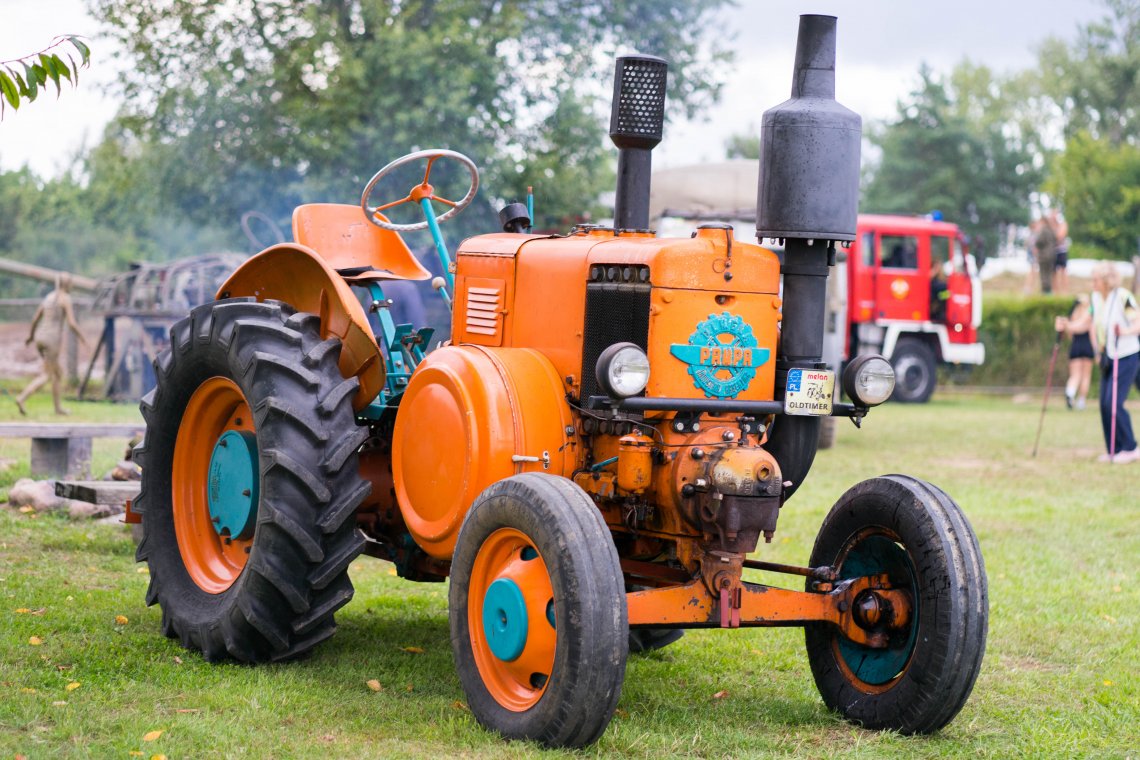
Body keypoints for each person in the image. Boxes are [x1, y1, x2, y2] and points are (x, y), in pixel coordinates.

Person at [1059, 262, 1140, 462]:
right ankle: (1114, 449)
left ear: (1106, 280)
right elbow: (1085, 322)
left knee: (1114, 402)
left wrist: (1125, 331)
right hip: (1108, 356)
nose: (1092, 283)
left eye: (1095, 279)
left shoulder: (1123, 297)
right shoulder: (1096, 298)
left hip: (1127, 355)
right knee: (1104, 403)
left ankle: (1130, 448)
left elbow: (1137, 323)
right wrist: (1067, 325)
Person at [14, 273, 89, 416]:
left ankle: (58, 409)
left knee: (57, 373)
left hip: (40, 338)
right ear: (67, 284)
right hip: (51, 340)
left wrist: (31, 337)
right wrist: (83, 338)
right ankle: (22, 398)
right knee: (47, 375)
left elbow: (35, 319)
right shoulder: (65, 298)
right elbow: (72, 323)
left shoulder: (49, 297)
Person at [1054, 294, 1095, 410]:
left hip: (1076, 346)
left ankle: (1070, 392)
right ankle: (1081, 401)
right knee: (1085, 375)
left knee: (1075, 374)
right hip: (1087, 346)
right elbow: (1092, 333)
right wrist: (1096, 351)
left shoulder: (1073, 316)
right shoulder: (1089, 315)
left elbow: (1070, 334)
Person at [1031, 215, 1058, 294]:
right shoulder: (1051, 230)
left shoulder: (1043, 230)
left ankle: (1045, 291)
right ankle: (1049, 291)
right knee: (1049, 273)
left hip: (1043, 255)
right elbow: (1056, 239)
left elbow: (1039, 241)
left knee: (1043, 273)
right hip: (1052, 254)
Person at [1051, 211, 1070, 294]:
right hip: (1053, 251)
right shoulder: (1051, 225)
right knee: (1053, 272)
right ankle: (1055, 291)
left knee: (1063, 271)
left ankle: (1065, 291)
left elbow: (1060, 236)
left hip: (1062, 251)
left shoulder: (1063, 224)